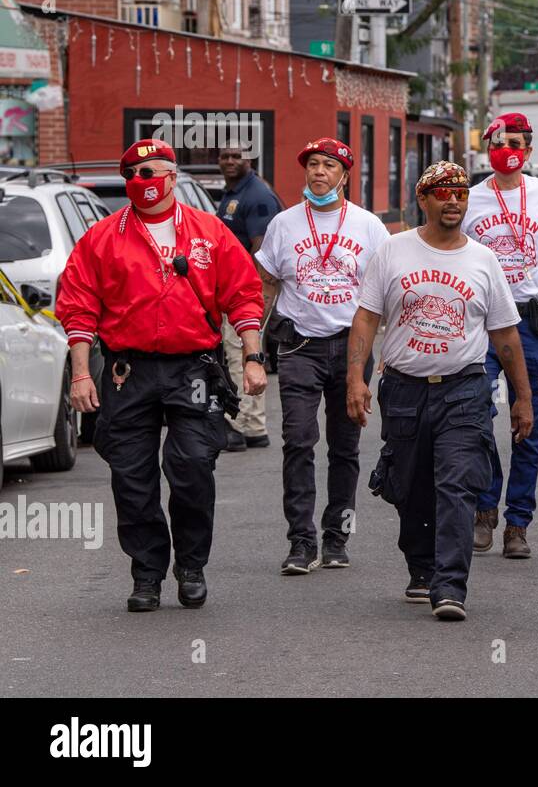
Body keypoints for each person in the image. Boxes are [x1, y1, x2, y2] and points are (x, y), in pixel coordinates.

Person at [56, 139, 266, 612]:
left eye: (150, 171)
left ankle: (190, 566)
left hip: (193, 366)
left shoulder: (209, 232)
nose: (140, 181)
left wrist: (252, 357)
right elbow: (78, 306)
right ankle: (146, 573)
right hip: (127, 371)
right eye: (131, 173)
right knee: (131, 478)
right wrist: (80, 375)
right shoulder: (103, 237)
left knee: (192, 468)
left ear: (172, 176)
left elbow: (243, 296)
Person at [346, 160, 534, 621]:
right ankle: (422, 566)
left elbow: (506, 336)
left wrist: (522, 397)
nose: (454, 200)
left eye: (461, 193)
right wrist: (356, 378)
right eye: (444, 193)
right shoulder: (393, 251)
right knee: (410, 486)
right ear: (423, 199)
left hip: (464, 390)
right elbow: (367, 318)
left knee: (457, 483)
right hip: (404, 390)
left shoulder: (483, 259)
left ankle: (451, 586)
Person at [254, 137, 391, 575]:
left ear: (345, 175)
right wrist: (253, 346)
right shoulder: (284, 224)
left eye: (328, 165)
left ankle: (337, 536)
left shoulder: (369, 227)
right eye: (312, 164)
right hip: (298, 345)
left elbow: (388, 294)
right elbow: (266, 287)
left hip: (353, 348)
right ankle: (300, 541)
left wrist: (385, 354)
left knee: (346, 446)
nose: (318, 172)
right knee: (297, 440)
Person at [463, 112, 538, 560]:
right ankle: (483, 509)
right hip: (480, 327)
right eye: (497, 140)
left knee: (527, 429)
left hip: (530, 326)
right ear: (486, 147)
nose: (506, 147)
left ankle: (518, 523)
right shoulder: (471, 199)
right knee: (476, 420)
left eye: (515, 141)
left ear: (529, 150)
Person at [217, 145, 283, 452]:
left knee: (241, 354)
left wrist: (251, 298)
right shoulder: (234, 192)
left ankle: (245, 426)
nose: (230, 161)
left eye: (236, 156)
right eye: (224, 156)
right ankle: (252, 426)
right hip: (232, 290)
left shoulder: (257, 196)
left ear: (250, 159)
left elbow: (263, 251)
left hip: (246, 292)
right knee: (238, 355)